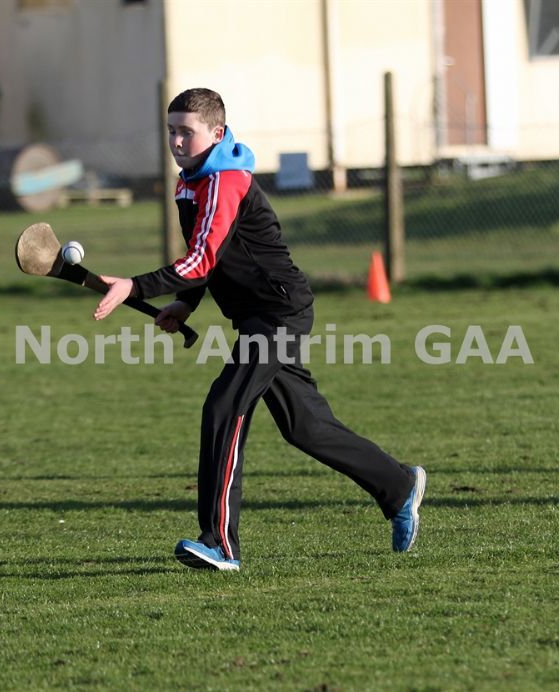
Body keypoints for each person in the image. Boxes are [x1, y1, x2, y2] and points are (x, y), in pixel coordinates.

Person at [93, 88, 425, 571]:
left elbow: (201, 259)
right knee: (306, 427)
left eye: (187, 132)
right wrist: (185, 302)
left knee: (224, 406)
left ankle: (219, 544)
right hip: (256, 318)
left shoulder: (224, 180)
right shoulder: (190, 183)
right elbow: (209, 258)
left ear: (217, 133)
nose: (176, 141)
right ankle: (399, 486)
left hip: (278, 314)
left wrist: (134, 286)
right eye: (170, 131)